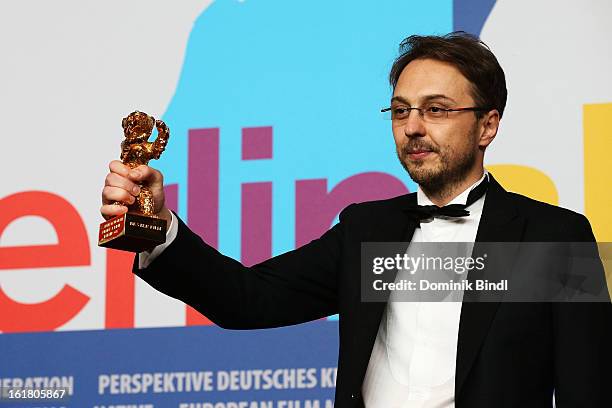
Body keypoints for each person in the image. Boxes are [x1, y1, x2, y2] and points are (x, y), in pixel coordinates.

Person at [100, 32, 611, 407]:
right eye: (400, 110)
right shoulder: (367, 230)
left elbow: (589, 390)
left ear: (488, 126)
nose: (412, 127)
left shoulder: (556, 236)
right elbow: (246, 299)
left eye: (435, 110)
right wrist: (158, 224)